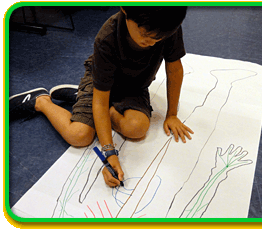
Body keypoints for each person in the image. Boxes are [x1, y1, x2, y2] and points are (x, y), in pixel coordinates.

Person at [9, 6, 194, 187]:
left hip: (134, 87)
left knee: (137, 128)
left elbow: (175, 69)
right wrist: (109, 152)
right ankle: (41, 101)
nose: (152, 42)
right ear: (125, 10)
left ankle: (84, 101)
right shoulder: (108, 37)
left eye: (159, 38)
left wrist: (171, 114)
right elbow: (100, 100)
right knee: (79, 136)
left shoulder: (167, 27)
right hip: (101, 82)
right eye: (145, 35)